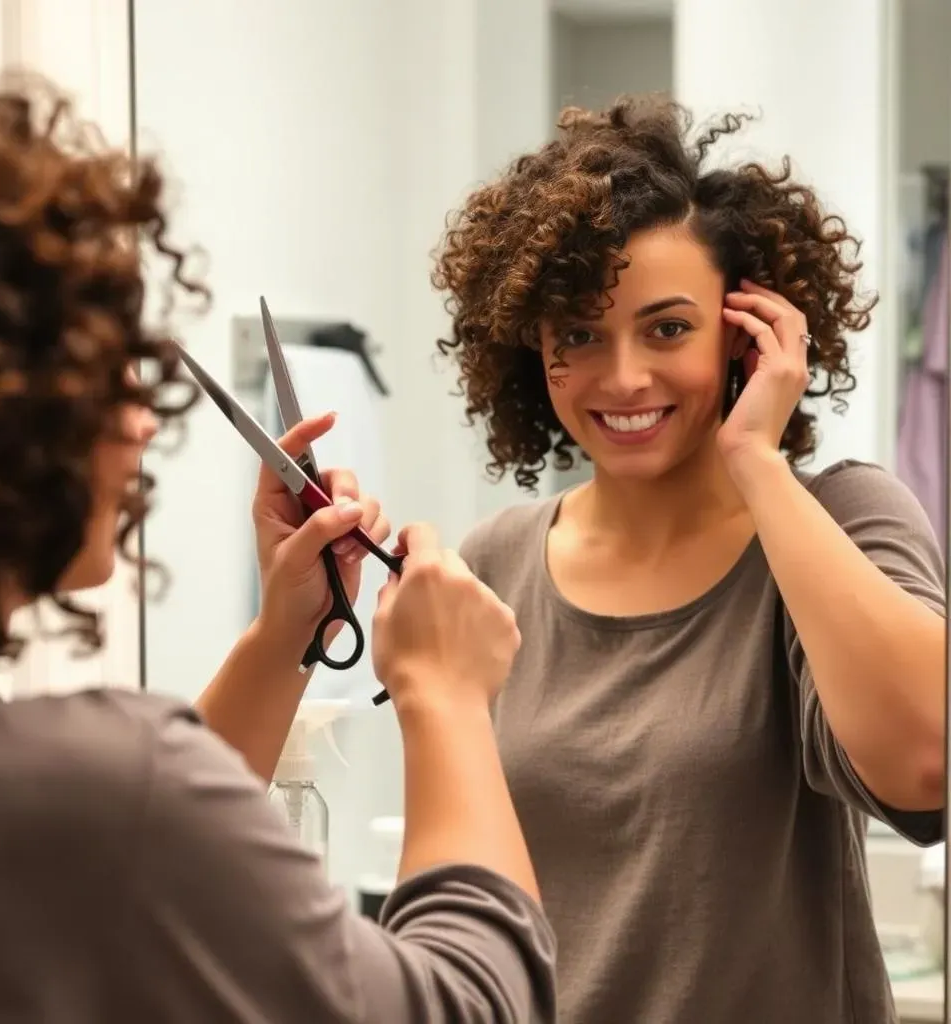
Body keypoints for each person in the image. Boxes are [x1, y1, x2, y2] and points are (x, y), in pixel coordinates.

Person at [0, 62, 557, 1022]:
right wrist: (446, 699)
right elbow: (470, 1006)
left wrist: (283, 641)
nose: (143, 424)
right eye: (99, 369)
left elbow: (132, 864)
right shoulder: (88, 790)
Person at [432, 95, 947, 1023]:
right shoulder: (493, 564)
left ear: (746, 332)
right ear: (532, 351)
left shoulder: (841, 521)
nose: (623, 377)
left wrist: (756, 457)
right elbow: (467, 886)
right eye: (579, 336)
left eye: (668, 328)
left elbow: (927, 762)